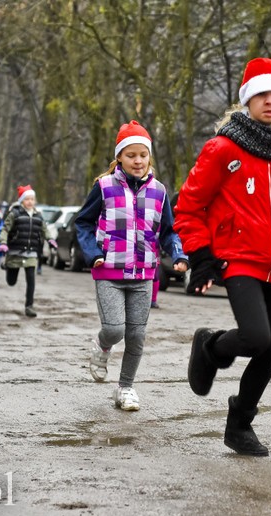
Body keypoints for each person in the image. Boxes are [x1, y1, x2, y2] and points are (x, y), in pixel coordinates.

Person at [174, 57, 271, 456]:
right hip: (239, 258)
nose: (270, 101)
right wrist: (201, 256)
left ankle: (240, 424)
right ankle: (211, 347)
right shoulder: (223, 147)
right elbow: (188, 207)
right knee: (257, 337)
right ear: (247, 100)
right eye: (262, 94)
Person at [75, 120, 188, 411]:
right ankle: (102, 347)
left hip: (144, 274)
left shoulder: (160, 192)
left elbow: (168, 231)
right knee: (114, 329)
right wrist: (92, 253)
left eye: (143, 155)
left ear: (149, 157)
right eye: (131, 155)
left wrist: (178, 255)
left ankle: (125, 388)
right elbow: (83, 223)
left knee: (137, 336)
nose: (138, 161)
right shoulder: (103, 186)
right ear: (120, 158)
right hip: (109, 270)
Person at [0, 185, 56, 317]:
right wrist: (3, 243)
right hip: (15, 252)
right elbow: (5, 230)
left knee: (31, 280)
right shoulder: (14, 214)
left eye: (32, 199)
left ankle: (29, 306)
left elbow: (45, 230)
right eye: (27, 199)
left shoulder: (38, 215)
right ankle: (7, 266)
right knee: (11, 282)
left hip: (31, 253)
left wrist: (50, 239)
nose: (30, 201)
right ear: (21, 201)